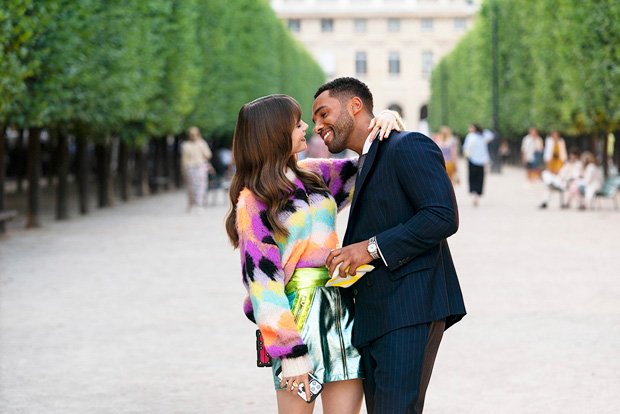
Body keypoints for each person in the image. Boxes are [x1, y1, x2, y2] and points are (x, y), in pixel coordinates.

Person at [225, 94, 403, 414]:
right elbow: (263, 284)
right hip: (295, 317)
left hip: (340, 309)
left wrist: (386, 121)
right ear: (274, 133)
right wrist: (289, 352)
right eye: (296, 124)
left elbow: (371, 166)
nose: (306, 126)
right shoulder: (254, 201)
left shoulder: (313, 174)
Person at [312, 77, 466, 414]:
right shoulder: (360, 164)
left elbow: (442, 216)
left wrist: (367, 248)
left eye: (323, 114)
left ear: (355, 106)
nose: (318, 125)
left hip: (410, 307)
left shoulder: (408, 145)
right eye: (313, 121)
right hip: (377, 315)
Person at [181, 126, 212, 212]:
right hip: (190, 168)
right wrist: (184, 170)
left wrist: (200, 146)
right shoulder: (186, 145)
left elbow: (208, 155)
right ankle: (191, 204)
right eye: (192, 134)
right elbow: (184, 159)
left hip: (200, 167)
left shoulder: (202, 143)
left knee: (201, 187)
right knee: (191, 187)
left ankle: (199, 204)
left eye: (195, 134)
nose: (193, 136)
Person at [463, 123, 492, 207]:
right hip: (480, 161)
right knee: (479, 178)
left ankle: (474, 194)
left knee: (473, 178)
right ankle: (476, 195)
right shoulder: (482, 136)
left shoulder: (471, 136)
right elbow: (490, 135)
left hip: (473, 160)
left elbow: (466, 148)